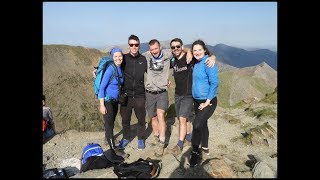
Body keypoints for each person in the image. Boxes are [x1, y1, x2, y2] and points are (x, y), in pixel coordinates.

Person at [144, 39, 196, 157]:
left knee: (169, 116)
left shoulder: (169, 54)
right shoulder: (147, 56)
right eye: (151, 49)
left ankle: (172, 143)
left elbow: (193, 52)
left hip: (170, 93)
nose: (154, 51)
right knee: (153, 117)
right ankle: (184, 137)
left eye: (156, 48)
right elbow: (130, 57)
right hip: (158, 93)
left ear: (160, 47)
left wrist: (189, 51)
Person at [168, 38, 216, 156]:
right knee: (184, 119)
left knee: (184, 119)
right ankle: (190, 138)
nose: (176, 49)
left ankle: (181, 144)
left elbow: (201, 54)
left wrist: (212, 56)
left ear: (182, 46)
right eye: (173, 47)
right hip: (179, 94)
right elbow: (162, 68)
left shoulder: (189, 58)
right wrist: (166, 79)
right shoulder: (173, 61)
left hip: (189, 95)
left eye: (178, 46)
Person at [189, 40, 219, 167]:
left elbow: (215, 83)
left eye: (199, 50)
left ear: (205, 50)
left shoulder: (208, 62)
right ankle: (205, 145)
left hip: (208, 101)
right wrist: (189, 53)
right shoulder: (196, 62)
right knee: (203, 123)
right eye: (194, 50)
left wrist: (207, 102)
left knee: (196, 125)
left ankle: (195, 152)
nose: (197, 52)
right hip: (196, 100)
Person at [118, 35, 148, 150]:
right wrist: (98, 69)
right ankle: (126, 138)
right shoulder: (124, 58)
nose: (134, 47)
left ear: (139, 45)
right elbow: (112, 63)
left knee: (141, 119)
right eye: (131, 45)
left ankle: (140, 138)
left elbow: (155, 69)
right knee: (125, 120)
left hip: (140, 95)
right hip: (126, 95)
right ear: (128, 46)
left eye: (136, 45)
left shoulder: (143, 59)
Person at [98, 47, 126, 158]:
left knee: (111, 121)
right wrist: (102, 104)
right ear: (112, 57)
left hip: (115, 101)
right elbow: (101, 88)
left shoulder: (120, 68)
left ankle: (107, 138)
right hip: (107, 101)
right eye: (116, 56)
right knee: (109, 124)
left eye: (120, 56)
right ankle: (113, 149)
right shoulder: (110, 69)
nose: (118, 58)